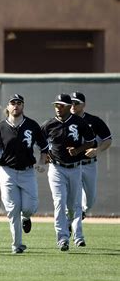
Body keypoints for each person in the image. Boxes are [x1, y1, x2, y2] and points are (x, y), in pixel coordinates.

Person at [0, 94, 48, 254]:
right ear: (8, 107)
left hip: (27, 171)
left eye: (19, 103)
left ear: (23, 106)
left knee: (29, 208)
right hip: (7, 172)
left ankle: (26, 217)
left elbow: (44, 147)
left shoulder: (32, 125)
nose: (16, 106)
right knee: (13, 209)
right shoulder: (0, 127)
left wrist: (42, 163)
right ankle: (17, 245)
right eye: (13, 103)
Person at [41, 94, 95, 251]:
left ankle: (76, 234)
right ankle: (64, 238)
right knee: (59, 202)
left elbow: (91, 141)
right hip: (56, 169)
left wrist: (78, 150)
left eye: (61, 105)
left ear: (68, 106)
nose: (58, 107)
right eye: (56, 105)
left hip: (75, 167)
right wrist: (45, 155)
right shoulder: (49, 124)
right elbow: (39, 141)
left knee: (74, 205)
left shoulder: (79, 122)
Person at [70, 91, 112, 240]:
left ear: (84, 105)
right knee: (76, 201)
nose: (73, 106)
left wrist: (98, 149)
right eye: (71, 103)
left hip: (89, 164)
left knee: (90, 200)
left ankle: (74, 218)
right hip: (72, 165)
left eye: (77, 103)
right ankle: (78, 236)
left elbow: (108, 139)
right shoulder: (64, 121)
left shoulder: (94, 121)